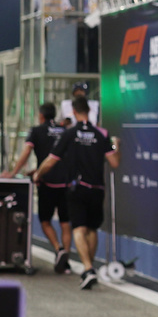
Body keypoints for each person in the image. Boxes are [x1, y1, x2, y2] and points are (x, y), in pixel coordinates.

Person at [33, 95, 119, 290]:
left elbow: (52, 159)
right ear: (89, 111)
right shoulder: (101, 134)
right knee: (91, 229)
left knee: (79, 229)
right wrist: (117, 146)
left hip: (77, 187)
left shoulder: (69, 134)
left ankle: (88, 269)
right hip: (97, 188)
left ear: (73, 112)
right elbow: (114, 162)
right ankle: (89, 268)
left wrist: (38, 173)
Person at [3, 103, 72, 273]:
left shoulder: (36, 131)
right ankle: (66, 260)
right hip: (66, 182)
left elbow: (27, 152)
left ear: (41, 115)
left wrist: (13, 172)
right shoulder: (65, 130)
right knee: (65, 223)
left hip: (47, 181)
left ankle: (58, 249)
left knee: (45, 220)